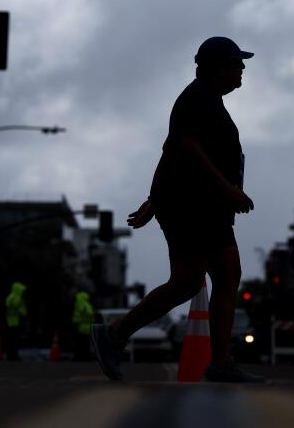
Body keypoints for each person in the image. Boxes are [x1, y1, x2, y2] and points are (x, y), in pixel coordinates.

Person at [91, 36, 263, 383]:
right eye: (235, 62)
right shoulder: (197, 98)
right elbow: (184, 148)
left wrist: (153, 199)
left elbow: (169, 149)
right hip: (190, 206)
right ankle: (114, 335)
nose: (242, 68)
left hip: (208, 207)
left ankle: (221, 363)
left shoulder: (208, 100)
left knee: (228, 274)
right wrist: (227, 190)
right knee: (188, 281)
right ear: (217, 66)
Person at [4, 281, 28, 360]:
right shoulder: (17, 298)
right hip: (16, 321)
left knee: (9, 340)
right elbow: (22, 311)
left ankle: (9, 355)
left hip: (9, 321)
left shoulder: (9, 297)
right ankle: (14, 356)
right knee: (15, 340)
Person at [72, 291, 95, 361]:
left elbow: (77, 317)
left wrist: (74, 322)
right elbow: (92, 317)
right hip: (89, 328)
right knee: (86, 345)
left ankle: (78, 358)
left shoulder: (80, 305)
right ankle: (87, 357)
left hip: (81, 327)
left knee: (79, 344)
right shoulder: (89, 305)